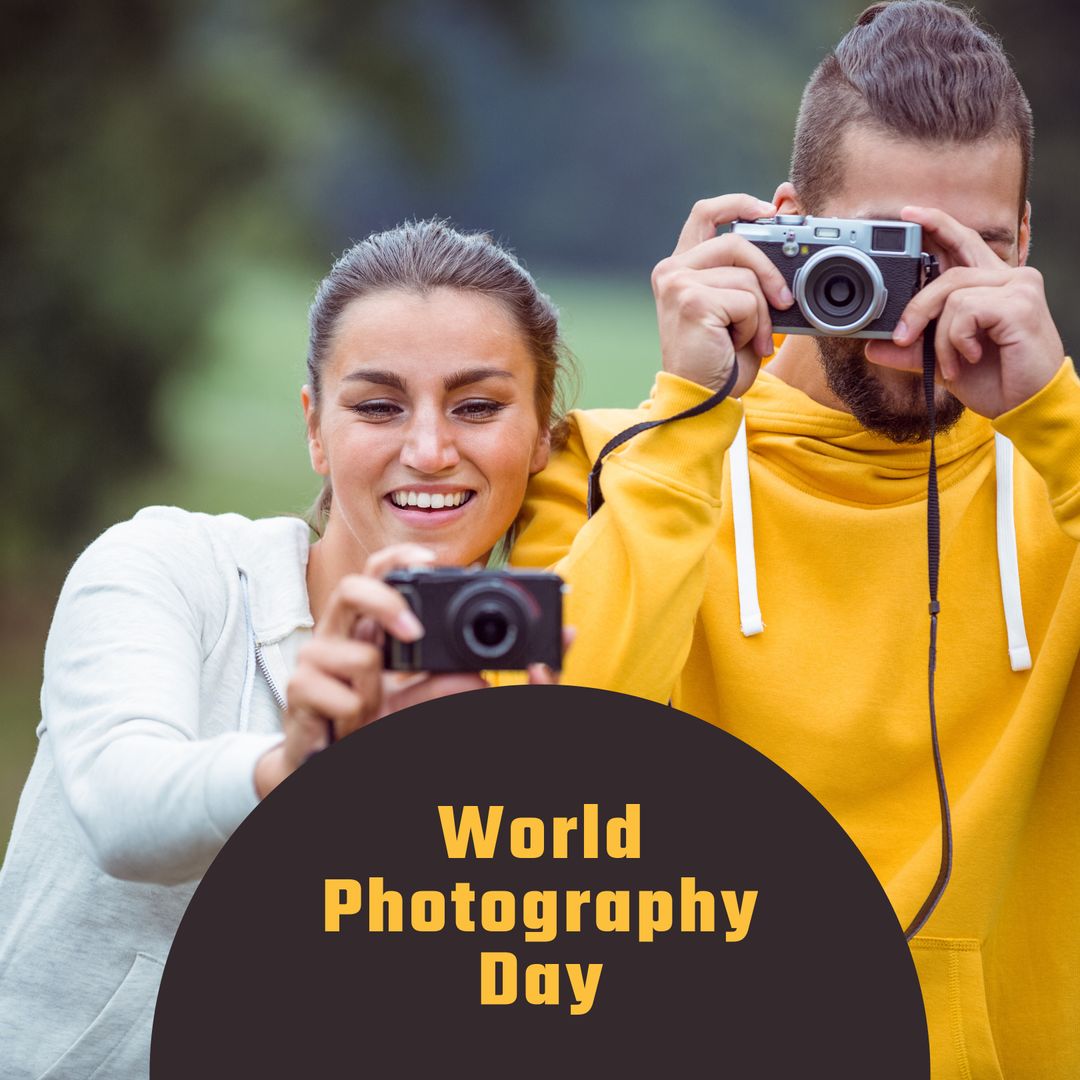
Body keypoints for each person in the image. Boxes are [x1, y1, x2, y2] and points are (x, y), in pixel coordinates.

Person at [512, 3, 1079, 1076]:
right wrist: (687, 422)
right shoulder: (601, 471)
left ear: (1025, 247)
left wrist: (1052, 415)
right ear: (789, 228)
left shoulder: (1068, 480)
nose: (924, 305)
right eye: (889, 249)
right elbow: (539, 785)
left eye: (971, 252)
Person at [0, 220, 570, 1078]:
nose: (428, 450)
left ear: (541, 436)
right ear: (315, 427)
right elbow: (123, 810)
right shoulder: (171, 567)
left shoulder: (540, 681)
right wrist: (289, 764)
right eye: (378, 405)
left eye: (478, 406)